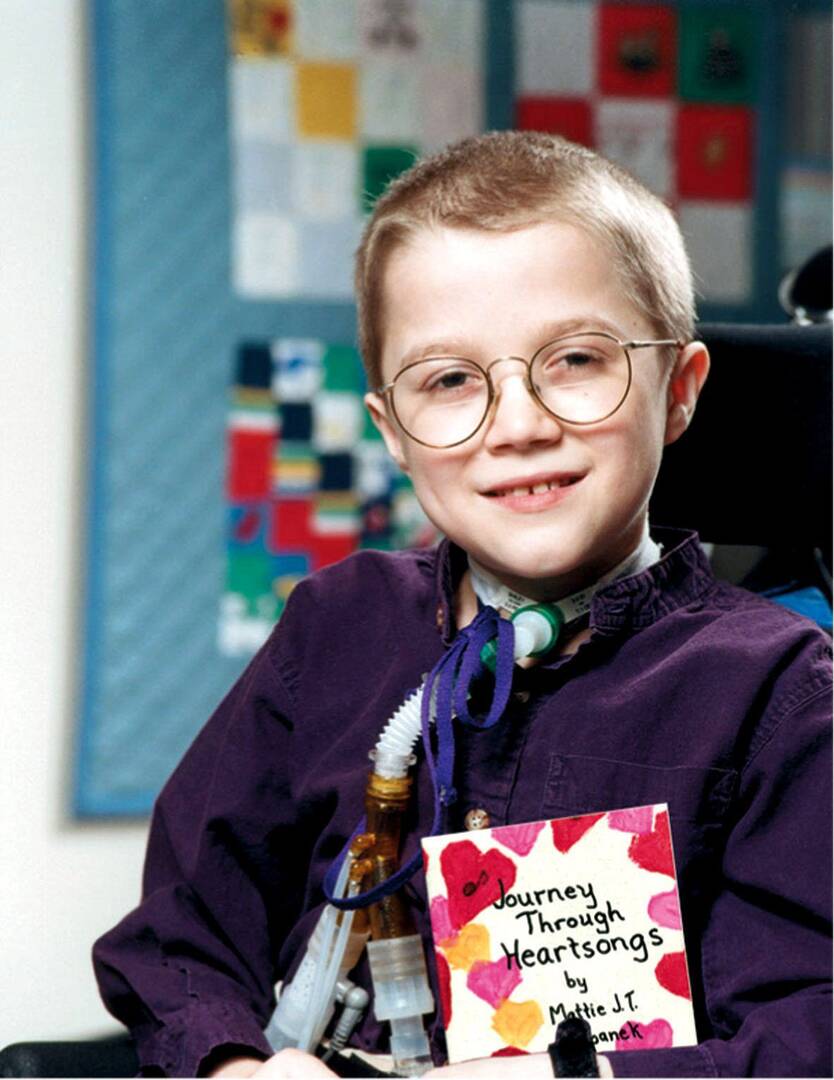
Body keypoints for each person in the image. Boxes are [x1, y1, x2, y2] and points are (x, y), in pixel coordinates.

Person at [93, 132, 831, 1078]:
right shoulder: (336, 630)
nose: (519, 425)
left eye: (576, 360)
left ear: (678, 391)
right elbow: (175, 937)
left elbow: (810, 1031)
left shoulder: (777, 691)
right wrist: (237, 1064)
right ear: (392, 433)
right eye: (448, 380)